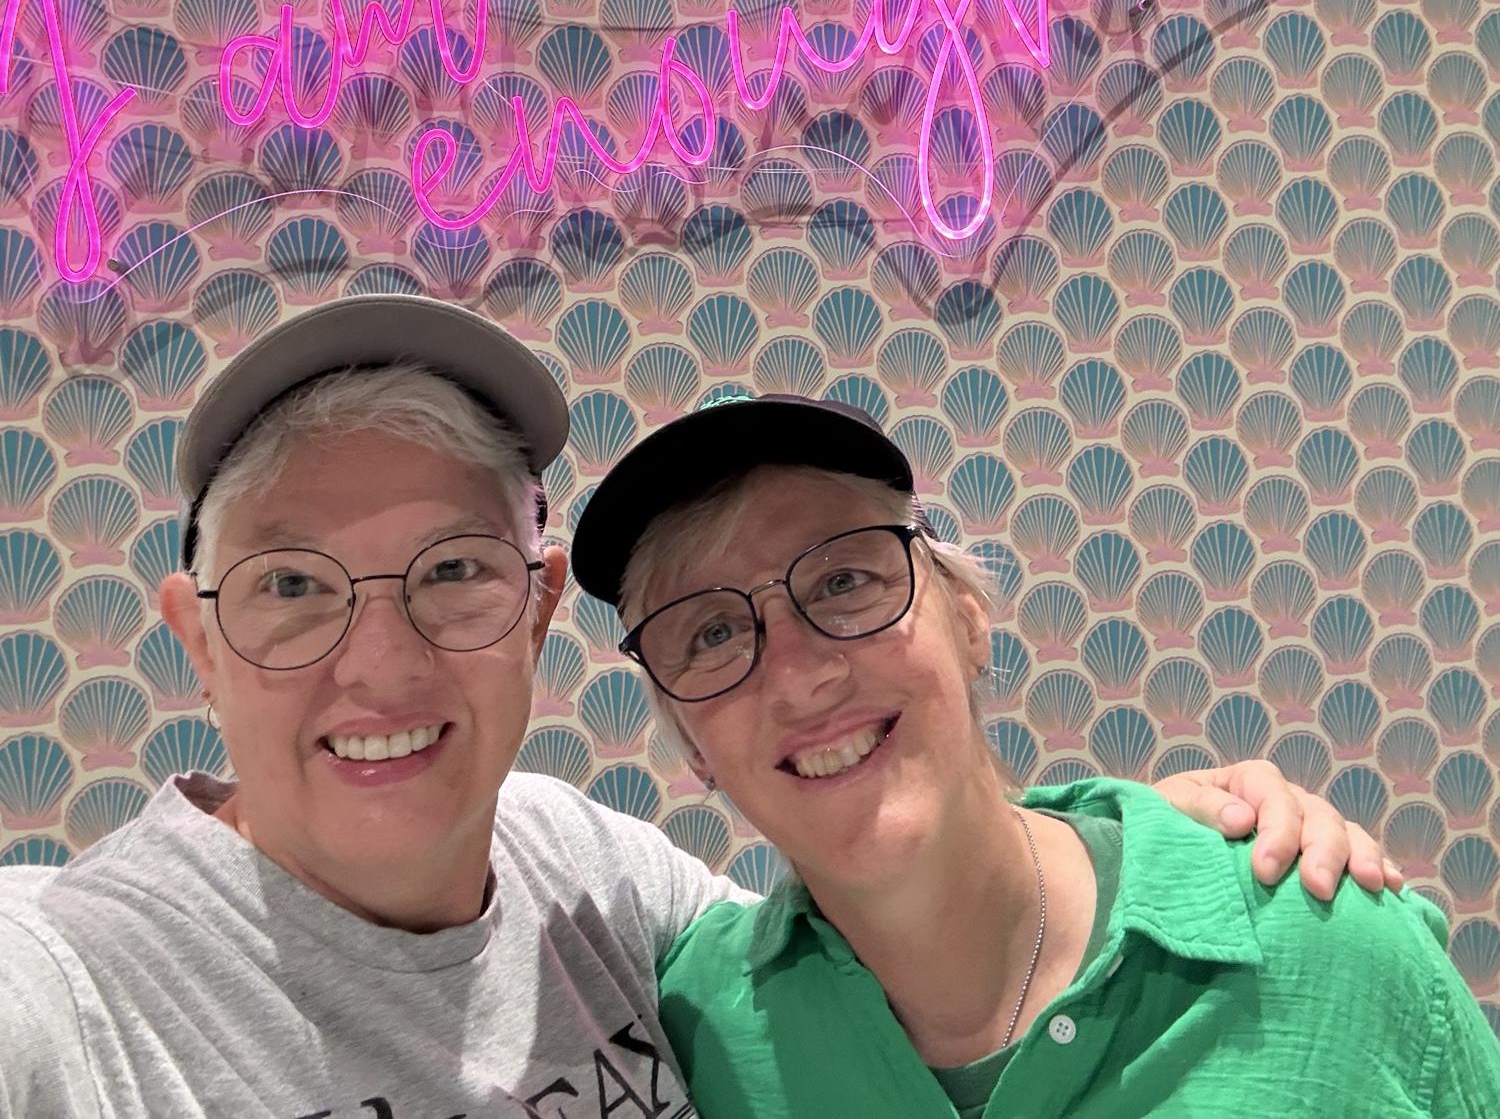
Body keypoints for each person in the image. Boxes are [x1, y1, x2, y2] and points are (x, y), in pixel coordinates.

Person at [0, 300, 1400, 1117]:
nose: (381, 663)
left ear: (538, 611)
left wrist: (1146, 850)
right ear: (196, 638)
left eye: (455, 573)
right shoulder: (66, 983)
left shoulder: (594, 885)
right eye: (295, 587)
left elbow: (887, 885)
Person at [572, 393, 1500, 1119]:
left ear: (968, 619)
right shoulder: (693, 1036)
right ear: (692, 744)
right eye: (711, 633)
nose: (800, 676)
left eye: (844, 579)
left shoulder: (1332, 946)